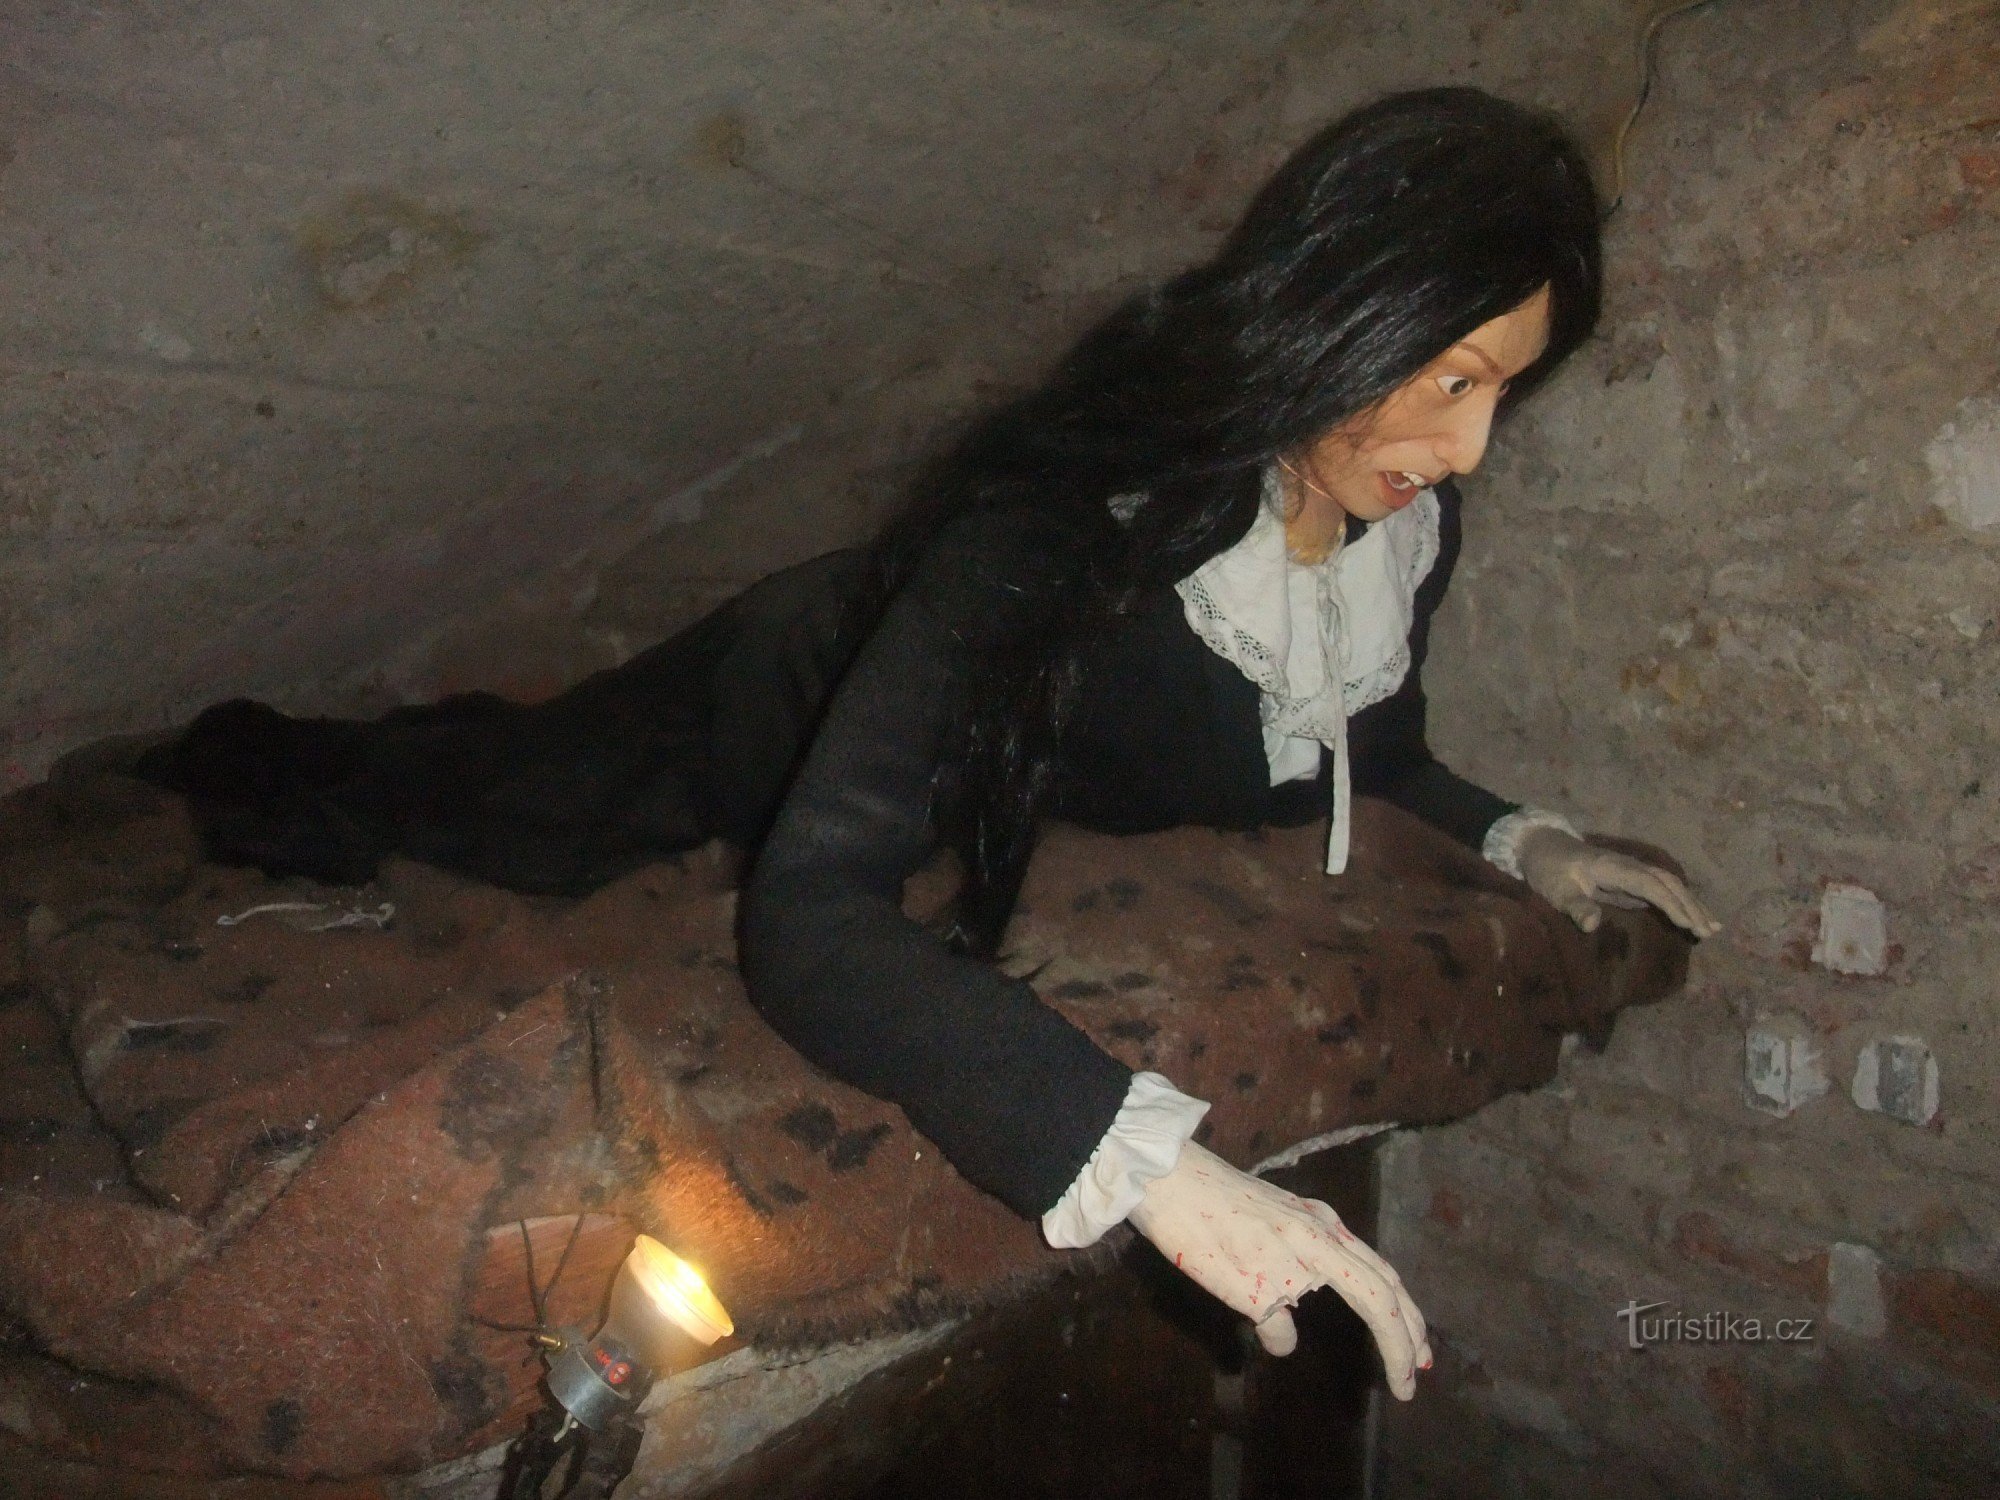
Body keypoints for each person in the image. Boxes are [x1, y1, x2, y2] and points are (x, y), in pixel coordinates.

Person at [140, 88, 1719, 1402]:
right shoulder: (1069, 518)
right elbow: (810, 917)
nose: (1467, 448)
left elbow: (1375, 745)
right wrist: (1155, 1167)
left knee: (512, 781)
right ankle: (258, 749)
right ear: (1329, 315)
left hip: (954, 722)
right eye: (1450, 380)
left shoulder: (1400, 532)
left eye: (1501, 393)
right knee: (497, 805)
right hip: (799, 681)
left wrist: (1534, 841)